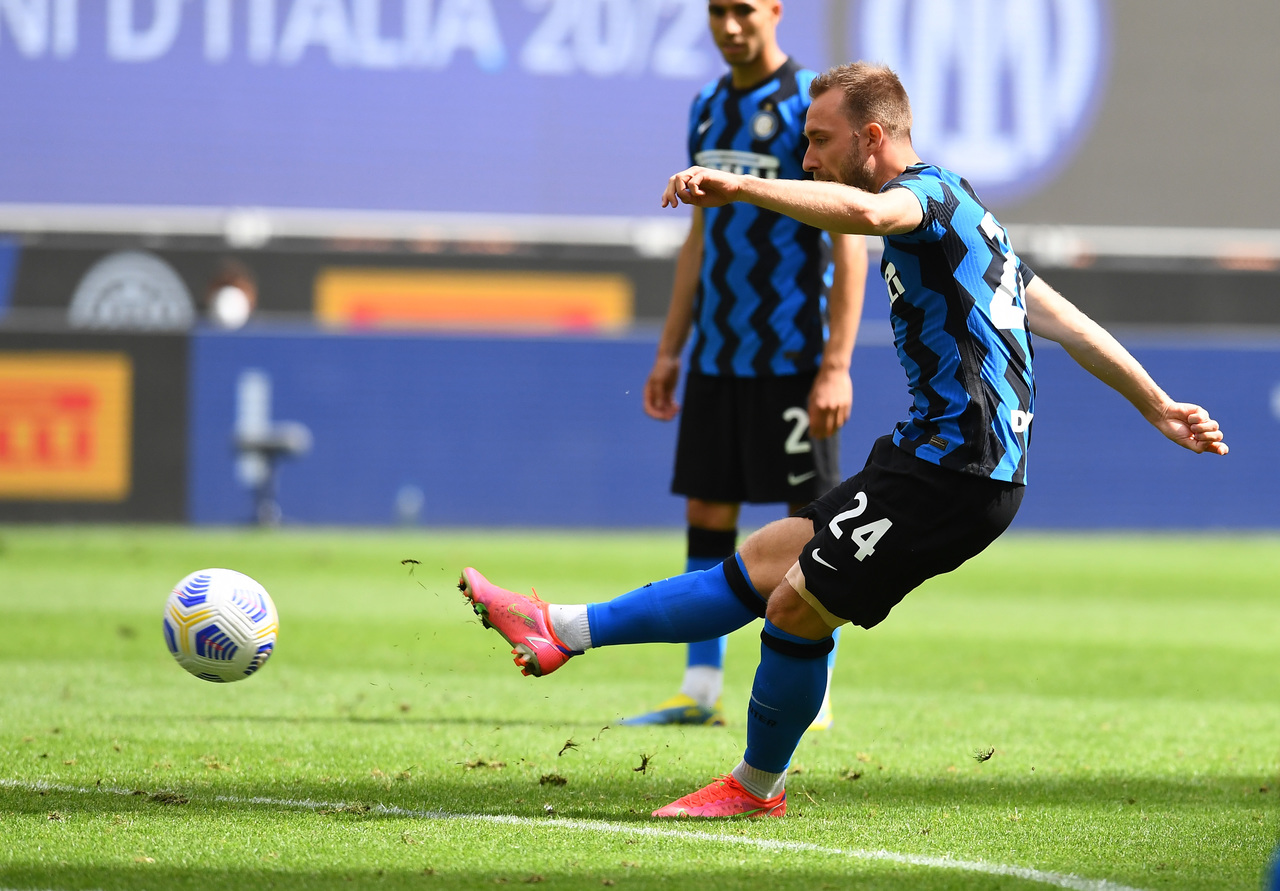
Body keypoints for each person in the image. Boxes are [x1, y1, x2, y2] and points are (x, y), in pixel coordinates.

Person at [459, 62, 1228, 818]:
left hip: (959, 472)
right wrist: (1157, 403)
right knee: (767, 558)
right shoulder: (967, 215)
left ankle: (755, 787)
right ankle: (559, 628)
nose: (806, 158)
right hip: (927, 457)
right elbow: (1066, 322)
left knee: (796, 608)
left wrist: (741, 187)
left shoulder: (925, 199)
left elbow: (867, 216)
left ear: (872, 137)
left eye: (820, 140)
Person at [630, 0, 867, 729]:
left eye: (743, 10)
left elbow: (849, 239)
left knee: (810, 522)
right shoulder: (706, 106)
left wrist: (836, 363)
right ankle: (699, 687)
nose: (730, 26)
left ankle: (814, 689)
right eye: (717, 12)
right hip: (717, 355)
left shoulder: (808, 107)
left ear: (774, 10)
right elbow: (698, 240)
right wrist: (671, 350)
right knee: (707, 511)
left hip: (793, 357)